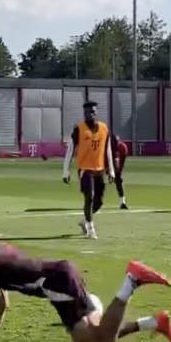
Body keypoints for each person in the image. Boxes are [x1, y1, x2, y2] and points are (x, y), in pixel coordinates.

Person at [0, 237, 171, 342]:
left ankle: (131, 281)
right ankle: (154, 322)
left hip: (56, 282)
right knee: (94, 337)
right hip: (60, 276)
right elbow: (0, 304)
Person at [63, 100, 115, 239]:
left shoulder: (104, 128)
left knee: (99, 201)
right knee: (89, 197)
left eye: (93, 111)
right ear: (84, 113)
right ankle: (91, 229)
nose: (91, 114)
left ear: (96, 112)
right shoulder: (79, 129)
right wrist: (66, 170)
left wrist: (111, 169)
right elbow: (70, 149)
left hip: (100, 169)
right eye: (88, 112)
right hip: (85, 169)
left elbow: (107, 148)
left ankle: (85, 221)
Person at [112, 134, 129, 210]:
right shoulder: (106, 147)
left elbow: (122, 161)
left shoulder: (122, 147)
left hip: (115, 163)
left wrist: (119, 171)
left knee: (119, 180)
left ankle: (122, 202)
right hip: (103, 163)